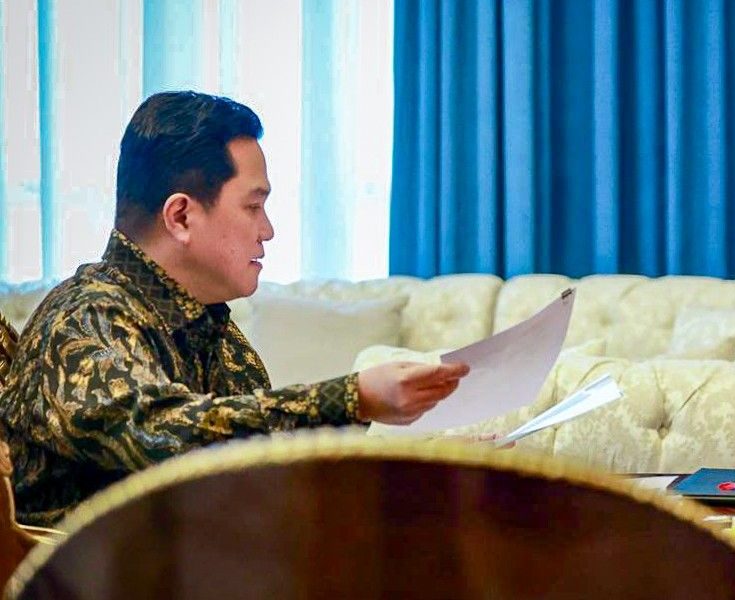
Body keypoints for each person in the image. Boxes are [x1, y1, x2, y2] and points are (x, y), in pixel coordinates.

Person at [0, 91, 470, 525]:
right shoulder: (84, 319)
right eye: (253, 207)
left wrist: (426, 468)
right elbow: (167, 438)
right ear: (181, 216)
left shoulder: (213, 329)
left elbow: (270, 466)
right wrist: (354, 397)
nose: (268, 231)